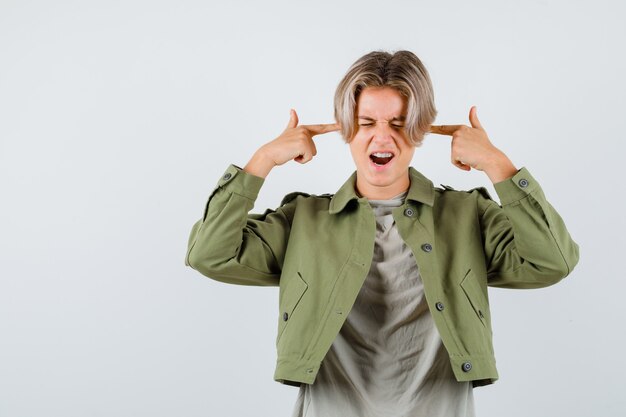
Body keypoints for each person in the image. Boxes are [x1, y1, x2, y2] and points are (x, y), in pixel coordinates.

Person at [184, 50, 580, 416]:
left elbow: (553, 262)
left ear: (420, 130)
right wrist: (262, 161)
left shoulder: (467, 216)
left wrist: (498, 166)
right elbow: (209, 254)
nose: (382, 137)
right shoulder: (302, 220)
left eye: (399, 123)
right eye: (366, 122)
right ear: (345, 129)